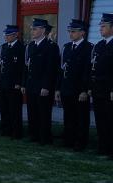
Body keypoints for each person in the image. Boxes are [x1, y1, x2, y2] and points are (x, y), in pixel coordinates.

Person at [22, 18, 61, 145]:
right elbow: (26, 67)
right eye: (32, 29)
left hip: (43, 86)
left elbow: (51, 69)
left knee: (43, 112)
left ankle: (44, 137)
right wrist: (24, 83)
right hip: (31, 84)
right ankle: (34, 135)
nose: (32, 31)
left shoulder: (51, 46)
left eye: (35, 29)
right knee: (32, 111)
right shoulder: (30, 46)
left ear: (43, 30)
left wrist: (46, 86)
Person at [56, 19, 93, 151]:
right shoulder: (66, 47)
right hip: (66, 87)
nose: (71, 34)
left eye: (74, 31)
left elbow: (88, 71)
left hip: (79, 89)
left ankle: (80, 141)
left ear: (82, 33)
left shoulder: (89, 47)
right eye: (70, 31)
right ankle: (69, 139)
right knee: (68, 115)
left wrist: (84, 90)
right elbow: (61, 69)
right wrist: (58, 88)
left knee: (81, 116)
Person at [90, 13, 113, 158]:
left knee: (110, 119)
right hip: (98, 88)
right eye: (100, 26)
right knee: (100, 118)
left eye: (103, 26)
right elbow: (93, 67)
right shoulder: (99, 45)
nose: (100, 29)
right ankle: (102, 146)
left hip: (109, 89)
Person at [0, 25, 25, 139]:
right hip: (3, 82)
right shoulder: (3, 47)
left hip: (14, 84)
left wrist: (19, 82)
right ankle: (6, 130)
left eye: (8, 35)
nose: (6, 37)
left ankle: (16, 132)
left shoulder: (21, 47)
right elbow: (0, 66)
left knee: (14, 109)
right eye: (5, 35)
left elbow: (23, 68)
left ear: (15, 35)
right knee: (4, 108)